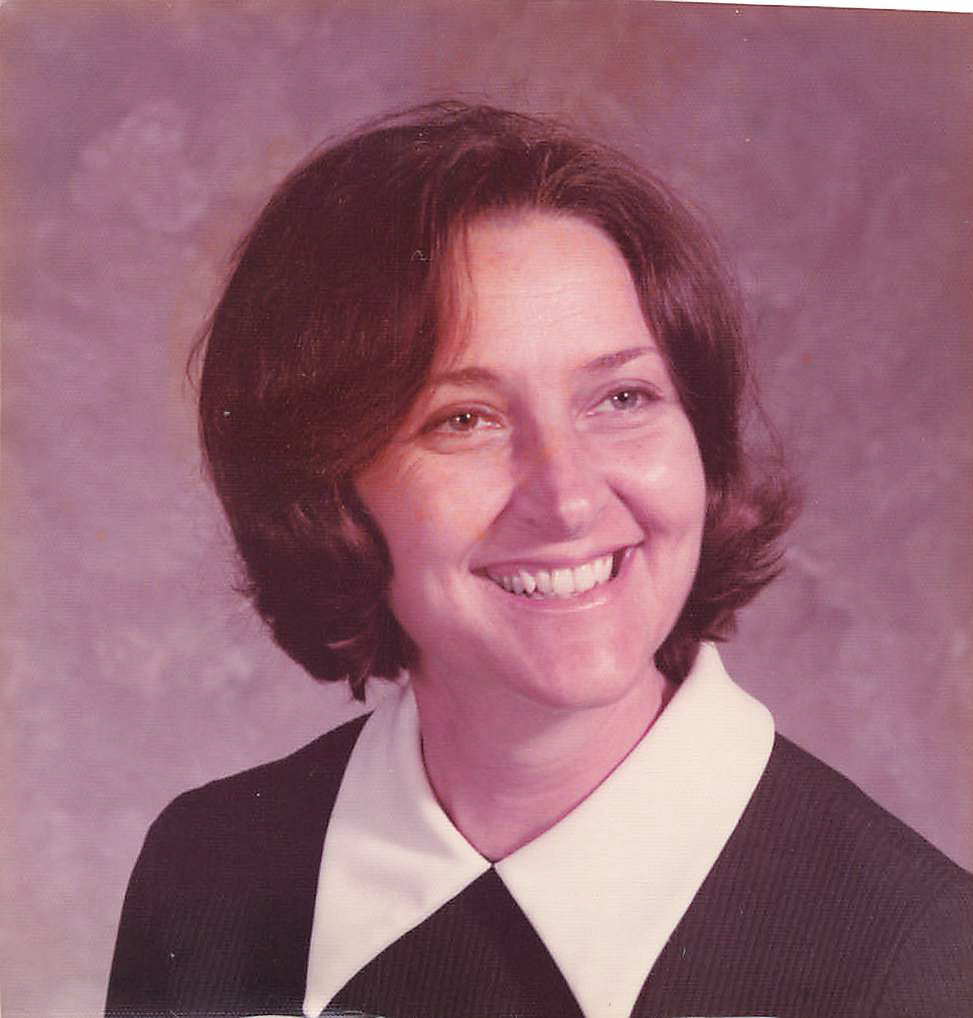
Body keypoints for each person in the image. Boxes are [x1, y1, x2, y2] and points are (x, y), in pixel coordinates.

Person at [105, 101, 973, 1018]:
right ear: (326, 491)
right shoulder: (207, 874)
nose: (566, 498)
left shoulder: (916, 962)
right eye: (463, 419)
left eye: (621, 398)